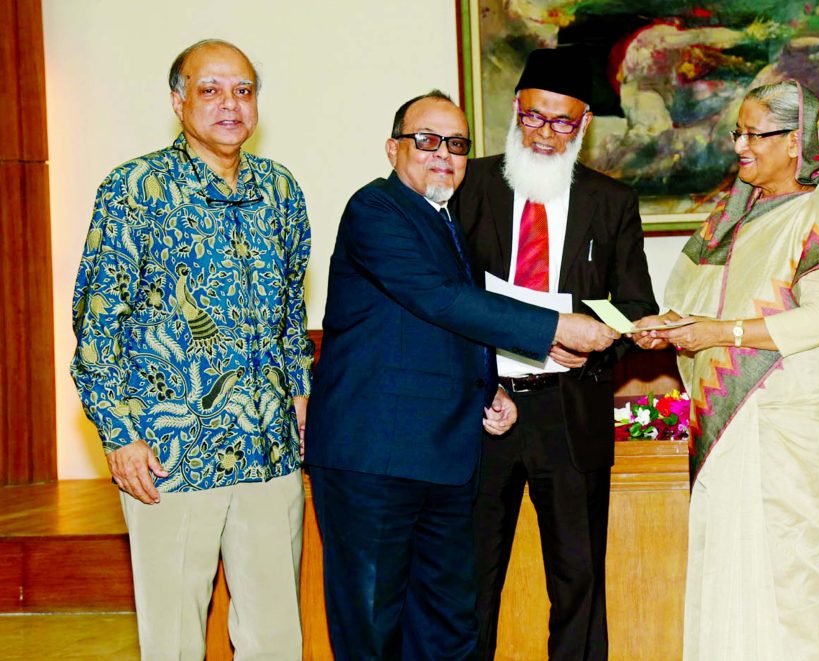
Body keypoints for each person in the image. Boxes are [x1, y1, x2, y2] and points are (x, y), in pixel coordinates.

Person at [304, 90, 617, 660]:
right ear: (392, 147)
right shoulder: (374, 209)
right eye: (425, 140)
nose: (442, 154)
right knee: (372, 629)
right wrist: (555, 326)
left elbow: (437, 326)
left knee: (447, 627)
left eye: (455, 144)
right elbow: (440, 298)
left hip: (443, 458)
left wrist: (487, 385)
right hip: (375, 459)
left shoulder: (443, 221)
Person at [71, 39, 312, 659]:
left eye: (243, 90)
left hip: (268, 448)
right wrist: (118, 432)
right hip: (170, 455)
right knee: (175, 636)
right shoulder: (134, 189)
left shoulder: (281, 191)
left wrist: (300, 393)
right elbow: (99, 322)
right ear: (179, 102)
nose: (229, 105)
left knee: (277, 636)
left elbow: (291, 313)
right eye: (210, 90)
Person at [634, 80, 819, 659]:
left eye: (754, 134)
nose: (740, 147)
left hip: (792, 428)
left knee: (799, 585)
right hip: (733, 424)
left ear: (795, 141)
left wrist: (719, 334)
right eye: (737, 133)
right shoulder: (733, 216)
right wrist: (673, 326)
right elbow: (719, 306)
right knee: (731, 566)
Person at [452, 47, 658, 660]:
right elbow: (441, 296)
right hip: (481, 410)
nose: (545, 135)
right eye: (535, 118)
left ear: (584, 124)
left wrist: (587, 343)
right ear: (516, 111)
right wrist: (522, 335)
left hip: (568, 410)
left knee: (578, 578)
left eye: (561, 123)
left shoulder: (611, 201)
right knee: (470, 577)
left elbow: (634, 303)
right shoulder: (470, 185)